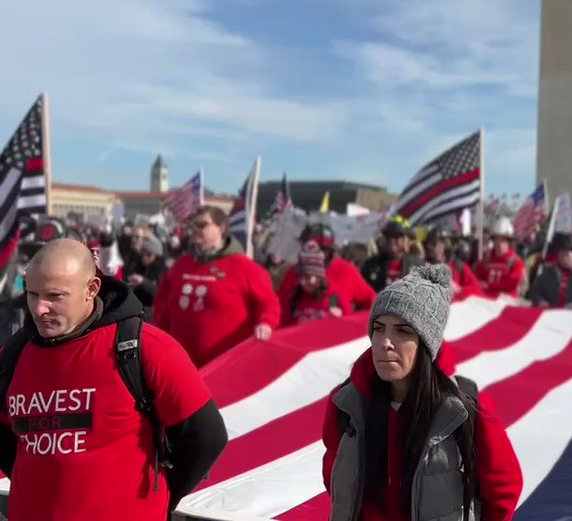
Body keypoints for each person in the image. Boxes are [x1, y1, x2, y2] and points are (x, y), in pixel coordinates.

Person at [0, 239, 227, 520]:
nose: (39, 309)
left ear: (91, 289)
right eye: (32, 294)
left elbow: (206, 437)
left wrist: (161, 497)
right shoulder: (12, 355)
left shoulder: (147, 348)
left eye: (55, 296)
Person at [321, 264, 523, 520]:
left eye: (403, 330)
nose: (385, 342)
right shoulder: (346, 404)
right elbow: (335, 476)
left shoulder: (464, 409)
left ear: (426, 343)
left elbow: (504, 489)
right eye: (379, 328)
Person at [153, 206, 279, 367]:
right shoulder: (181, 265)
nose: (195, 229)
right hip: (182, 364)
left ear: (221, 228)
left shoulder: (245, 268)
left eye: (202, 224)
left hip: (226, 366)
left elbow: (268, 302)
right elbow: (162, 303)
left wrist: (265, 322)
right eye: (193, 225)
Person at [278, 222, 375, 314]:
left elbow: (373, 303)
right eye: (306, 248)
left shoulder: (345, 271)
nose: (310, 252)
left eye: (316, 248)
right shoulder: (293, 273)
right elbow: (279, 308)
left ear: (329, 251)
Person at [281, 242, 344, 327]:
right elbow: (282, 327)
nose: (303, 282)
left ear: (319, 277)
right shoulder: (293, 298)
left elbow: (349, 325)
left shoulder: (333, 297)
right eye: (300, 277)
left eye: (308, 277)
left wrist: (340, 316)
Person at [528, 238, 572, 309]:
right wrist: (540, 301)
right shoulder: (547, 274)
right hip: (551, 312)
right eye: (562, 254)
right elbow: (535, 291)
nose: (565, 258)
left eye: (567, 254)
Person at [361, 219, 423, 292]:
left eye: (397, 237)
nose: (392, 240)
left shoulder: (417, 266)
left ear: (407, 240)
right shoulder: (371, 265)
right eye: (388, 237)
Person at [474, 218, 526, 298]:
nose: (499, 244)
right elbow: (476, 277)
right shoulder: (487, 259)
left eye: (502, 240)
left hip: (506, 303)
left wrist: (489, 285)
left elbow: (512, 284)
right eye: (496, 240)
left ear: (509, 242)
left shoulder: (516, 262)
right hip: (486, 302)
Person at [423, 228, 481, 300]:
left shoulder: (458, 266)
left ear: (444, 244)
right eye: (429, 245)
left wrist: (459, 290)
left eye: (434, 244)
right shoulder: (424, 270)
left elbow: (477, 289)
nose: (432, 249)